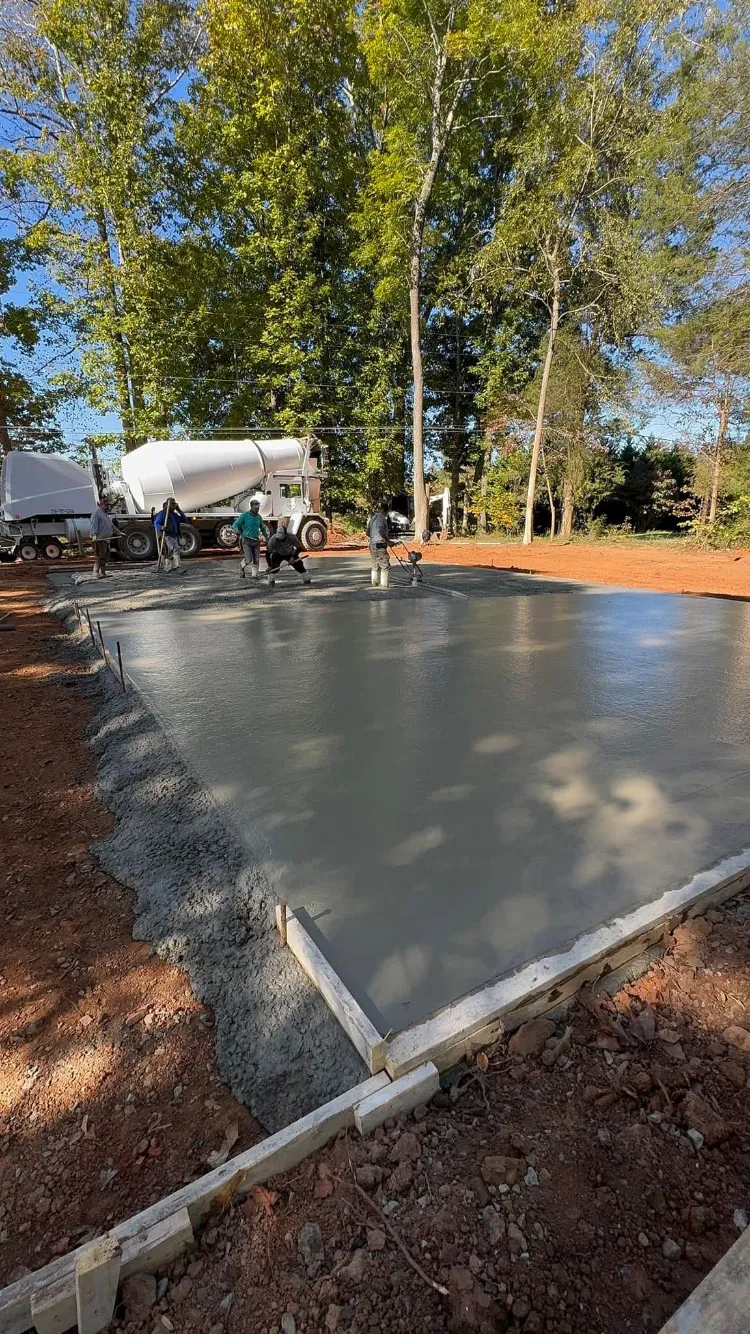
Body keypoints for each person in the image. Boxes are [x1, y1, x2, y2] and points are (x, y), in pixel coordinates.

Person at [266, 518, 311, 587]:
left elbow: (299, 548)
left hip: (290, 553)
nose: (280, 539)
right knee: (274, 568)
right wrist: (269, 565)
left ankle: (306, 579)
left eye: (282, 538)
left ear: (285, 535)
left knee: (299, 565)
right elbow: (268, 553)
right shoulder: (273, 540)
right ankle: (271, 582)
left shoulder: (292, 537)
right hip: (277, 553)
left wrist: (293, 557)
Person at [232, 499, 269, 580]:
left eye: (258, 508)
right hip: (246, 540)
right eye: (255, 507)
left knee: (256, 559)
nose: (257, 509)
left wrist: (267, 538)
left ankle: (254, 575)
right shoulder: (244, 516)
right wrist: (236, 530)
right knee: (248, 559)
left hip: (256, 541)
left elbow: (262, 528)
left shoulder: (259, 517)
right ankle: (241, 566)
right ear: (251, 507)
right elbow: (235, 524)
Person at [154, 497, 188, 574]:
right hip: (167, 535)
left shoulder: (174, 515)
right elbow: (156, 523)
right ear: (168, 505)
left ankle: (168, 567)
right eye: (172, 504)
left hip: (175, 535)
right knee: (175, 548)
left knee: (170, 551)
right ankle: (177, 565)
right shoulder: (162, 514)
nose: (174, 506)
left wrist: (179, 510)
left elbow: (185, 520)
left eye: (174, 504)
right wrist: (162, 527)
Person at [89, 499, 122, 579]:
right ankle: (96, 572)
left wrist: (119, 532)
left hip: (107, 539)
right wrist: (94, 535)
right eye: (106, 505)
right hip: (100, 539)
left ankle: (103, 573)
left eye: (108, 505)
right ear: (101, 505)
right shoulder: (96, 513)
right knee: (100, 556)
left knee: (105, 556)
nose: (108, 506)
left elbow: (112, 527)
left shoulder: (106, 515)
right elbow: (94, 524)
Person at [367, 501, 391, 589]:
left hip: (372, 544)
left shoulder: (372, 518)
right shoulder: (382, 519)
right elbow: (381, 531)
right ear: (385, 511)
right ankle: (384, 586)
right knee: (385, 566)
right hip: (380, 544)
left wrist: (374, 537)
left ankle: (374, 584)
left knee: (375, 565)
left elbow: (367, 532)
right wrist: (388, 541)